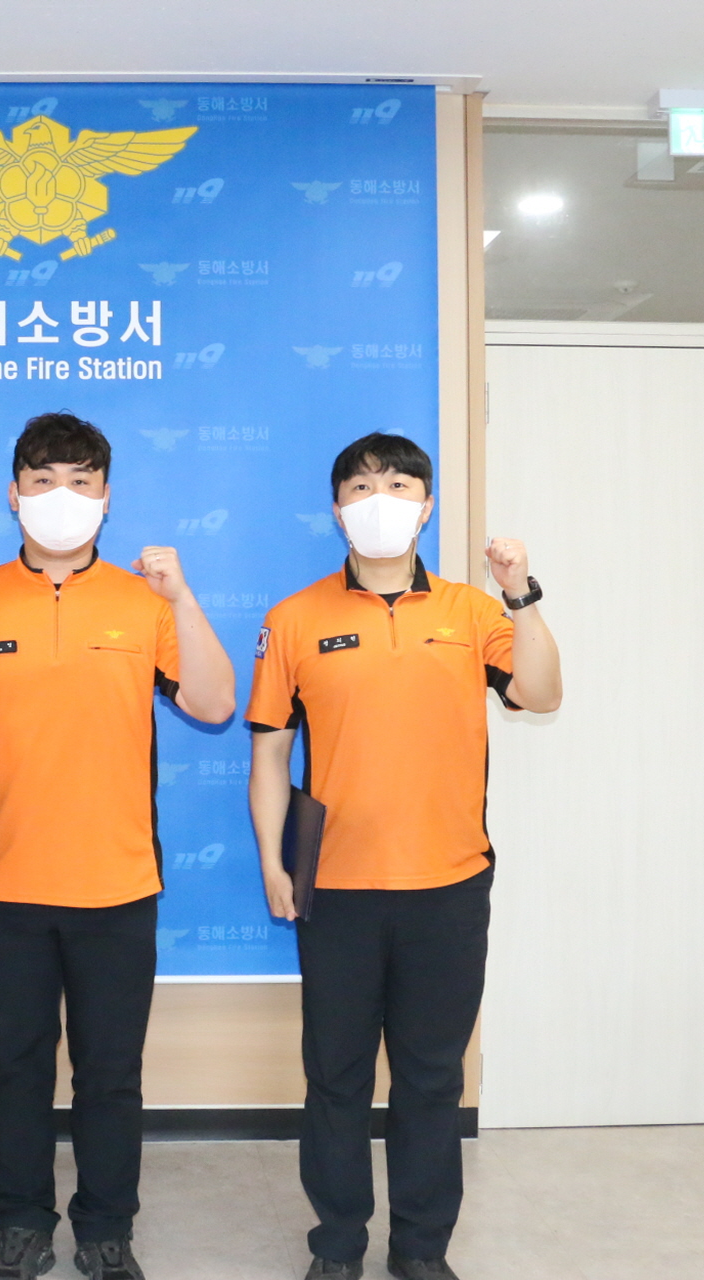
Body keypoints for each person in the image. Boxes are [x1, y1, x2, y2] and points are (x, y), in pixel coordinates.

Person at [0, 412, 236, 1280]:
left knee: (110, 1075)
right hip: (4, 887)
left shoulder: (144, 602)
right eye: (45, 479)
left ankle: (106, 1230)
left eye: (82, 480)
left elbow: (213, 704)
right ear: (13, 494)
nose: (63, 495)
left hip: (118, 885)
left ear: (107, 497)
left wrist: (183, 598)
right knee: (13, 1071)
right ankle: (20, 1224)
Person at [246, 432, 562, 1280]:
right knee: (336, 1078)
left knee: (430, 1081)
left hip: (447, 885)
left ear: (425, 507)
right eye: (360, 486)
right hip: (337, 889)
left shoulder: (472, 613)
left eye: (397, 485)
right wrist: (274, 862)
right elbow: (270, 754)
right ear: (337, 508)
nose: (378, 499)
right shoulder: (294, 618)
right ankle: (337, 1245)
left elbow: (541, 693)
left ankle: (421, 1250)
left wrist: (520, 594)